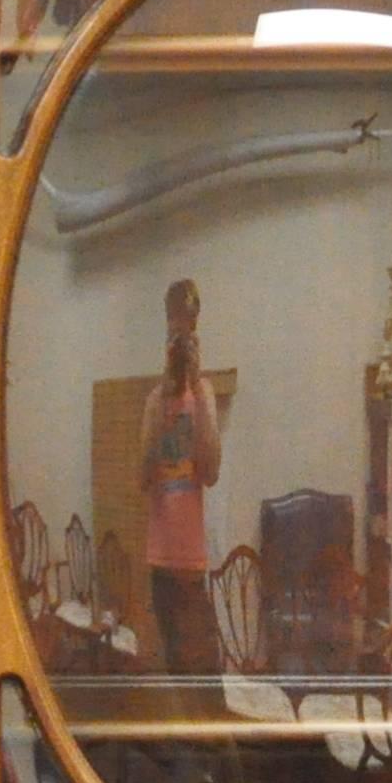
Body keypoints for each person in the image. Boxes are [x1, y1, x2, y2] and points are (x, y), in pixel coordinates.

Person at [139, 277, 227, 676]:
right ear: (166, 329)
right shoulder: (154, 401)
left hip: (192, 563)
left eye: (186, 328)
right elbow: (143, 477)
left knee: (207, 671)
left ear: (195, 328)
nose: (180, 334)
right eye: (174, 327)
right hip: (160, 561)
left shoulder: (205, 394)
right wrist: (164, 396)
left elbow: (210, 473)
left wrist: (195, 384)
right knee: (176, 671)